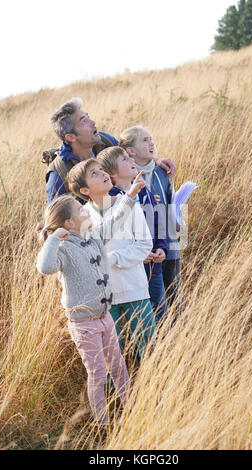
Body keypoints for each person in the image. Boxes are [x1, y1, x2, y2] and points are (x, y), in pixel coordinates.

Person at [36, 163, 146, 426]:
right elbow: (45, 267)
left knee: (119, 367)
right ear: (68, 223)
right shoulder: (61, 248)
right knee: (97, 374)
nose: (86, 212)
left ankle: (131, 410)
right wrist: (52, 239)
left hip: (104, 317)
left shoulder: (94, 236)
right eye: (80, 211)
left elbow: (115, 220)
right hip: (83, 324)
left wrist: (130, 196)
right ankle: (103, 424)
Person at [67, 154, 156, 360]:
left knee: (148, 345)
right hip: (104, 297)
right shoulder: (84, 215)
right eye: (94, 174)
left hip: (134, 289)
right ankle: (118, 390)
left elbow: (144, 245)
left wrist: (113, 258)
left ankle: (156, 387)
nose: (103, 174)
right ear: (85, 191)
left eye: (102, 169)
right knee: (111, 352)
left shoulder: (128, 203)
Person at [45, 97, 176, 203]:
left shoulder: (104, 141)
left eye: (88, 116)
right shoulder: (58, 175)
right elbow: (56, 221)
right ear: (71, 137)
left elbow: (130, 156)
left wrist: (155, 159)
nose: (93, 122)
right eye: (84, 121)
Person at [97, 146, 169, 324]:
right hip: (131, 271)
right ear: (112, 173)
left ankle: (162, 351)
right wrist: (138, 255)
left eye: (130, 157)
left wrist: (161, 247)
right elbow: (114, 238)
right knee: (139, 319)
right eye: (124, 159)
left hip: (154, 266)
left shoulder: (144, 191)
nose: (131, 161)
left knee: (160, 313)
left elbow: (157, 223)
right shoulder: (110, 200)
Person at [119, 126, 181, 308]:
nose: (151, 143)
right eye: (144, 140)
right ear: (130, 151)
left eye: (151, 138)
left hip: (170, 242)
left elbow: (172, 200)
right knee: (155, 300)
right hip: (146, 251)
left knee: (175, 295)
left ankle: (179, 332)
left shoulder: (162, 172)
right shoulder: (127, 177)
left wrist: (178, 219)